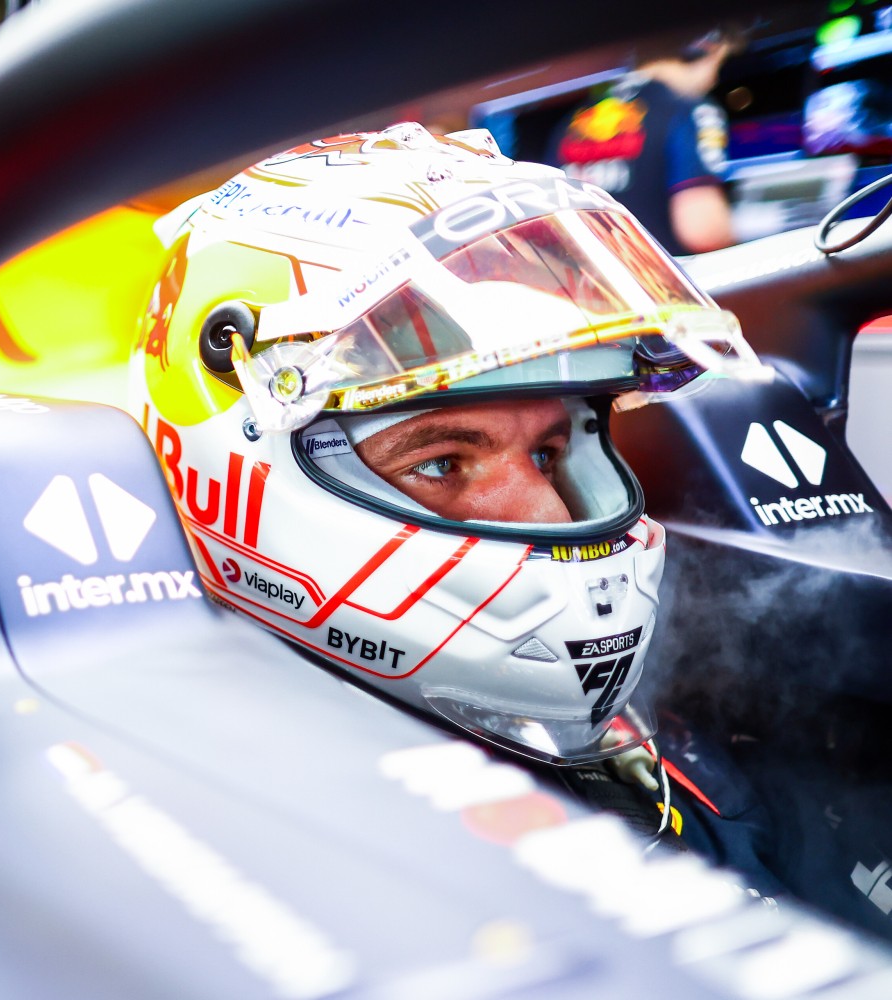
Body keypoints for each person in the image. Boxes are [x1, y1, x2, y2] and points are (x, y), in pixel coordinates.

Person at [130, 121, 892, 933]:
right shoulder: (223, 858)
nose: (554, 511)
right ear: (244, 473)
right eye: (444, 461)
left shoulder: (683, 728)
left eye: (555, 449)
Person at [548, 26, 746, 255]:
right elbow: (703, 231)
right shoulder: (692, 110)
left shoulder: (573, 121)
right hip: (665, 280)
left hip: (595, 280)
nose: (714, 80)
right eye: (717, 64)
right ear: (701, 49)